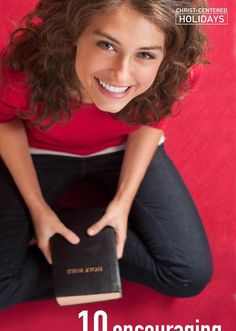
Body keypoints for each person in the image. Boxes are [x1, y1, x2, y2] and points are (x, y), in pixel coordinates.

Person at [0, 0, 213, 309]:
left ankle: (86, 249)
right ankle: (76, 242)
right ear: (74, 33)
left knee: (188, 276)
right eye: (106, 45)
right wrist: (39, 210)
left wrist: (123, 203)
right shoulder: (23, 63)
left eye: (145, 54)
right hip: (39, 152)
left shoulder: (176, 69)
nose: (121, 75)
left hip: (121, 149)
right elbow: (4, 120)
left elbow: (152, 119)